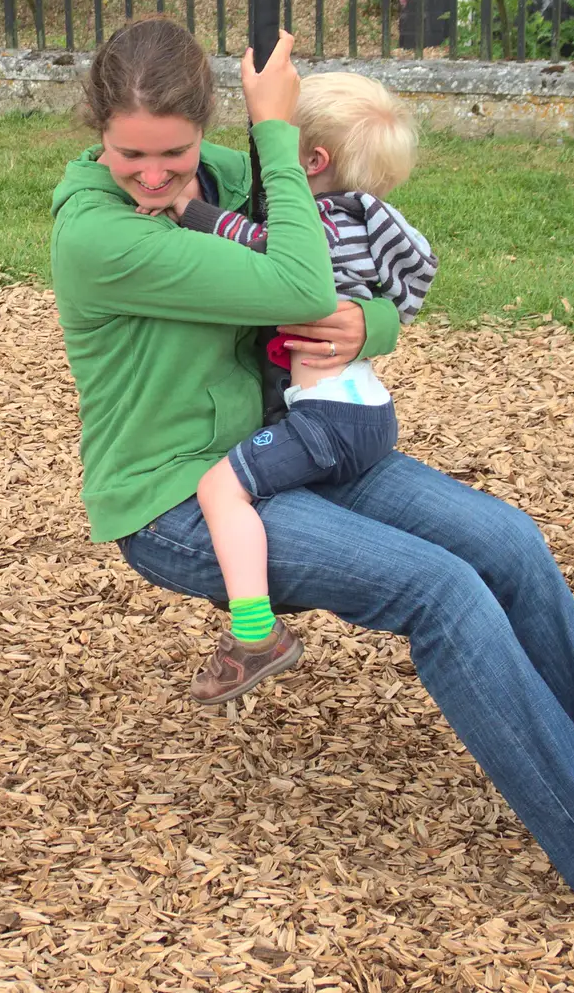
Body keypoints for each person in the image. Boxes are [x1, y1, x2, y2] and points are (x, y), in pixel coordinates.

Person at [48, 16, 574, 925]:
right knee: (440, 590)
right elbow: (295, 284)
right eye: (131, 155)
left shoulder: (225, 177)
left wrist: (375, 326)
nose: (156, 175)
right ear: (98, 133)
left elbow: (346, 252)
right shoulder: (99, 235)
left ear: (205, 125)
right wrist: (279, 138)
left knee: (507, 543)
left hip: (287, 445)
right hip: (178, 498)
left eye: (173, 152)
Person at [165, 72, 436, 701]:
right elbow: (412, 284)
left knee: (219, 487)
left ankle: (254, 629)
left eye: (274, 149)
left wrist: (189, 211)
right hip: (368, 410)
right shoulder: (375, 225)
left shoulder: (316, 224)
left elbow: (266, 249)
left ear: (310, 162)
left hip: (326, 420)